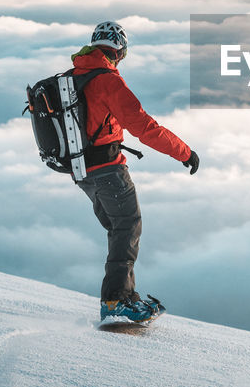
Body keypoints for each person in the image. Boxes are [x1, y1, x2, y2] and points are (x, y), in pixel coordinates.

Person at [71, 21, 200, 323]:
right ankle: (116, 301)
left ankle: (125, 296)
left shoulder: (74, 76)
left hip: (81, 171)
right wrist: (184, 152)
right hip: (107, 170)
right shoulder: (107, 81)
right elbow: (143, 126)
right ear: (120, 50)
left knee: (119, 230)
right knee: (128, 226)